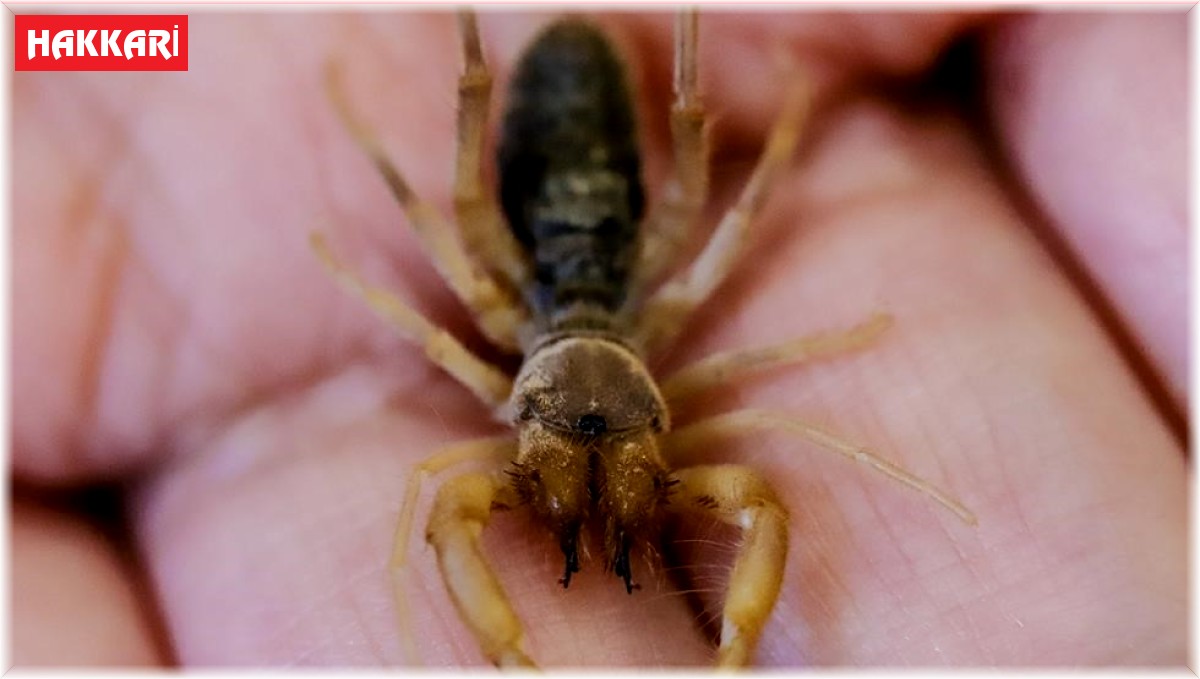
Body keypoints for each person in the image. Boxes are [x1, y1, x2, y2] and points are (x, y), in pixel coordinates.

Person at [12, 10, 1185, 667]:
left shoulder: (645, 377)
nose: (583, 452)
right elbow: (432, 286)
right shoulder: (566, 371)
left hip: (579, 238)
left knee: (687, 207)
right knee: (587, 194)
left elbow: (747, 379)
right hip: (579, 225)